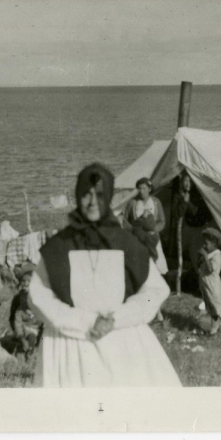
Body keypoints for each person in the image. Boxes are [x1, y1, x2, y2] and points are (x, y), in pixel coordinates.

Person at [28, 163, 181, 387]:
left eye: (99, 195)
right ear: (77, 196)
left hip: (120, 340)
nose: (92, 202)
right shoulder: (59, 246)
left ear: (108, 197)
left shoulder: (126, 243)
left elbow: (155, 290)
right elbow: (37, 296)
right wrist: (82, 322)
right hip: (70, 345)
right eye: (86, 194)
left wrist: (118, 318)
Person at [123, 177, 168, 322]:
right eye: (139, 188)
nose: (142, 191)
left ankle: (155, 308)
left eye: (144, 188)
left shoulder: (155, 202)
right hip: (137, 240)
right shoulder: (132, 203)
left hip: (151, 240)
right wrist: (134, 231)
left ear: (149, 189)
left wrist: (154, 230)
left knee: (155, 270)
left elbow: (161, 221)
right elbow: (125, 221)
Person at [197, 227, 221, 335]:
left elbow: (211, 270)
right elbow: (199, 266)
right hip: (207, 284)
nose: (204, 246)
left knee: (214, 306)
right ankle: (215, 327)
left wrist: (205, 256)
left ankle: (213, 330)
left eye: (206, 243)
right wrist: (201, 257)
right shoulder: (209, 253)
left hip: (213, 285)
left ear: (214, 243)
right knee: (210, 305)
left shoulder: (217, 254)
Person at [9, 272, 43, 361]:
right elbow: (17, 323)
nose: (25, 283)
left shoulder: (38, 308)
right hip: (25, 330)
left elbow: (42, 321)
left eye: (29, 281)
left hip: (36, 329)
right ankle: (28, 352)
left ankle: (31, 350)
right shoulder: (20, 310)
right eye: (23, 280)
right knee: (30, 337)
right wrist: (20, 335)